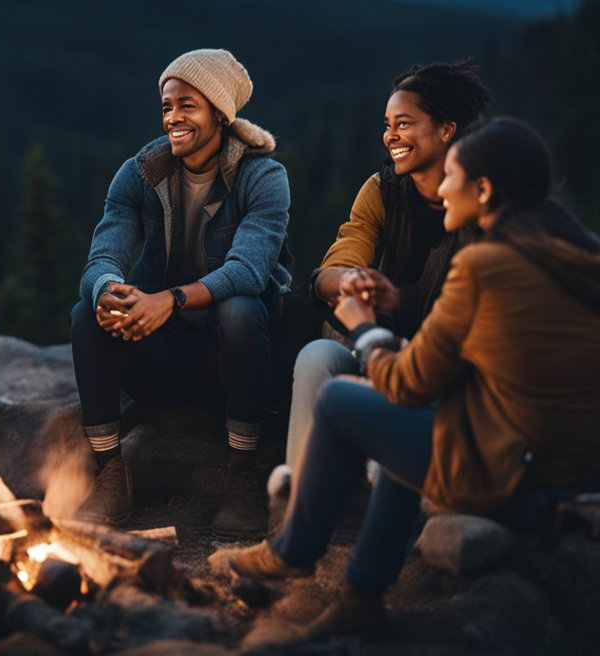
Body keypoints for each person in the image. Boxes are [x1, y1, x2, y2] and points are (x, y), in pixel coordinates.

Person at [229, 118, 600, 640]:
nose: (443, 188)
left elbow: (408, 384)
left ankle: (292, 552)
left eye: (452, 176)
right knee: (414, 423)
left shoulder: (483, 264)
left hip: (523, 482)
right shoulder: (575, 253)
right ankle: (361, 595)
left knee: (338, 398)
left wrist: (362, 329)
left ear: (485, 190)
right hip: (578, 473)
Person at [71, 48, 290, 534]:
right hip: (161, 361)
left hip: (230, 360)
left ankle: (241, 477)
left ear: (220, 112)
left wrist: (167, 301)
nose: (173, 117)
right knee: (86, 314)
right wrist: (109, 291)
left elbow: (249, 271)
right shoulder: (141, 171)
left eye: (187, 105)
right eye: (167, 106)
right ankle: (110, 470)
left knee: (240, 309)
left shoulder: (264, 176)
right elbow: (101, 257)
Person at [275, 61, 493, 500]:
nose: (389, 136)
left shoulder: (482, 204)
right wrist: (352, 281)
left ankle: (394, 506)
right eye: (387, 125)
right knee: (317, 355)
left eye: (404, 124)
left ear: (447, 129)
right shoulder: (383, 190)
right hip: (377, 344)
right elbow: (333, 268)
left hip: (443, 367)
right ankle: (299, 503)